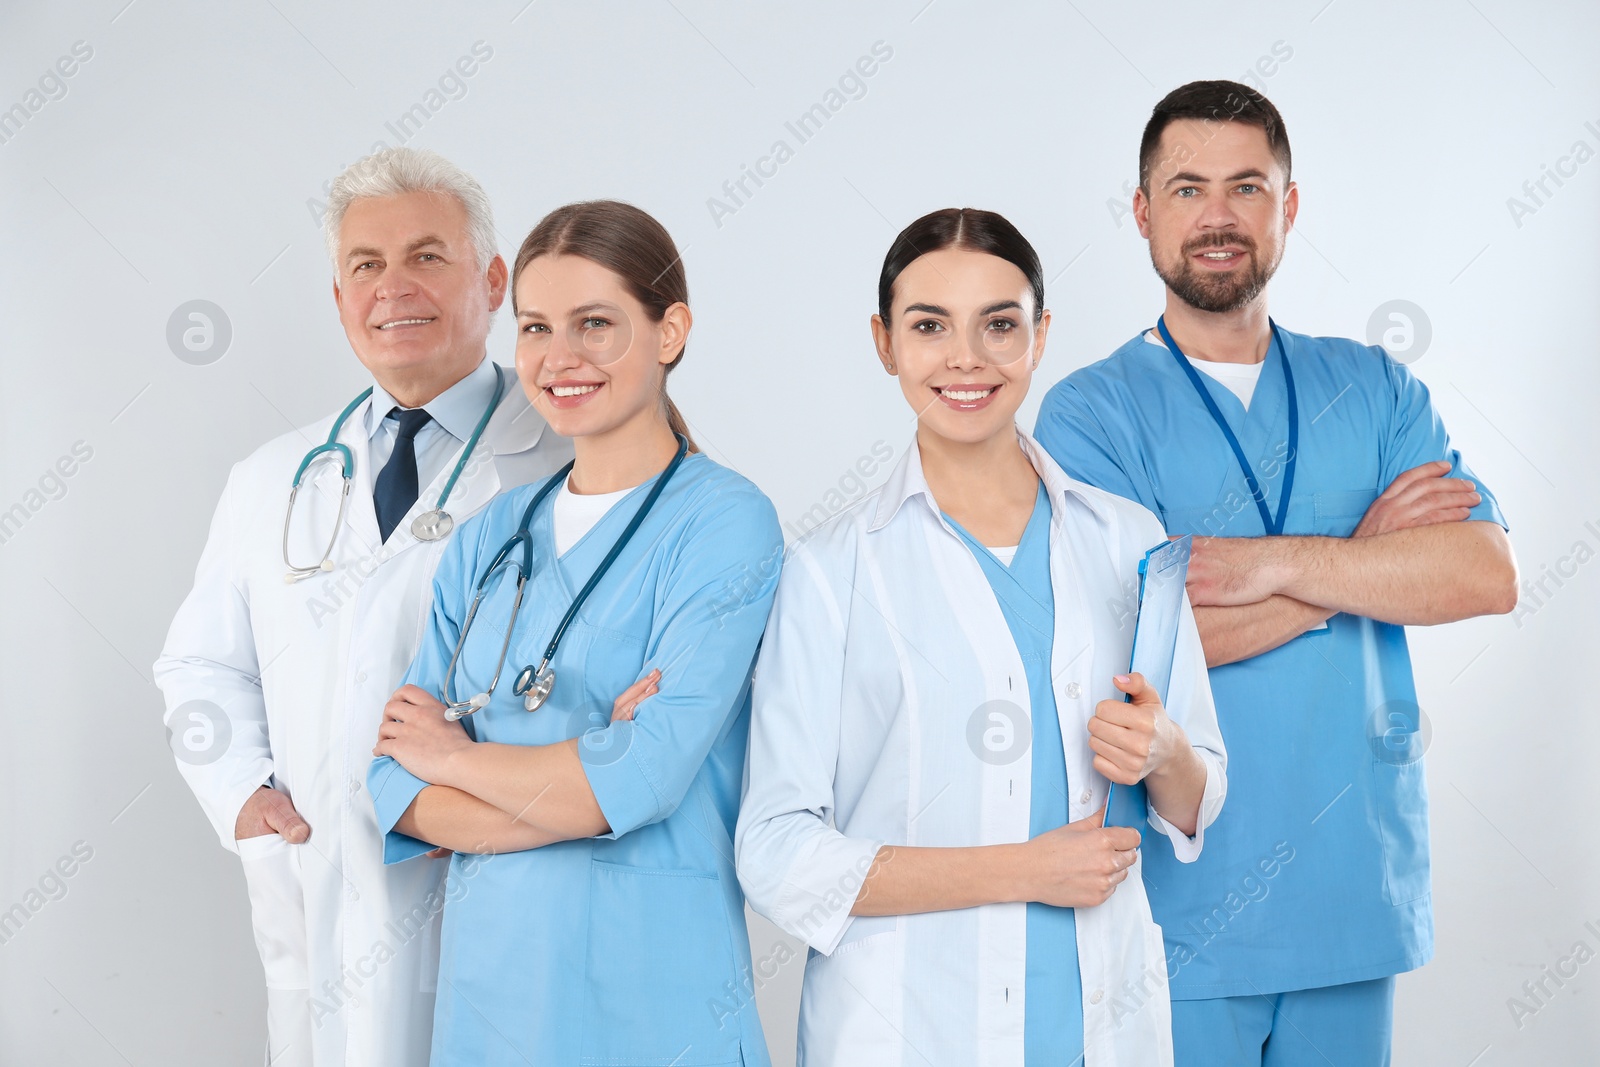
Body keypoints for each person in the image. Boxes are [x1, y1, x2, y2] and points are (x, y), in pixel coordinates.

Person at [1034, 81, 1518, 1066]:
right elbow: (1119, 658)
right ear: (1142, 213)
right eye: (1186, 188)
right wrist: (1359, 561)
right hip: (1178, 900)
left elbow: (1483, 572)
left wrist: (1268, 564)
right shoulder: (1089, 415)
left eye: (1247, 186)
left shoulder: (1374, 387)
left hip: (1351, 889)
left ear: (1288, 207)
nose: (1218, 215)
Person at [736, 208, 1226, 1065]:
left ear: (1040, 337)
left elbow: (1194, 800)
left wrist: (1166, 747)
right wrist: (1021, 870)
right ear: (885, 343)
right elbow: (776, 852)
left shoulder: (1126, 540)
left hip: (1099, 1029)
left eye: (999, 324)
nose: (967, 357)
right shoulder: (830, 571)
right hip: (907, 1030)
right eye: (929, 326)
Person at [153, 147, 572, 1067]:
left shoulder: (565, 462)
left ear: (494, 280)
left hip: (500, 894)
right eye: (365, 266)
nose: (395, 287)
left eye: (428, 256)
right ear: (339, 297)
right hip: (317, 901)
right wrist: (241, 795)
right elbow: (198, 664)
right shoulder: (272, 478)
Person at [366, 199, 782, 1066]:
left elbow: (648, 776)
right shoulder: (490, 533)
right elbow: (394, 784)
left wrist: (456, 757)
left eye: (596, 324)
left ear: (671, 332)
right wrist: (592, 769)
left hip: (657, 995)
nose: (560, 358)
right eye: (535, 327)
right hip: (493, 998)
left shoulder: (725, 522)